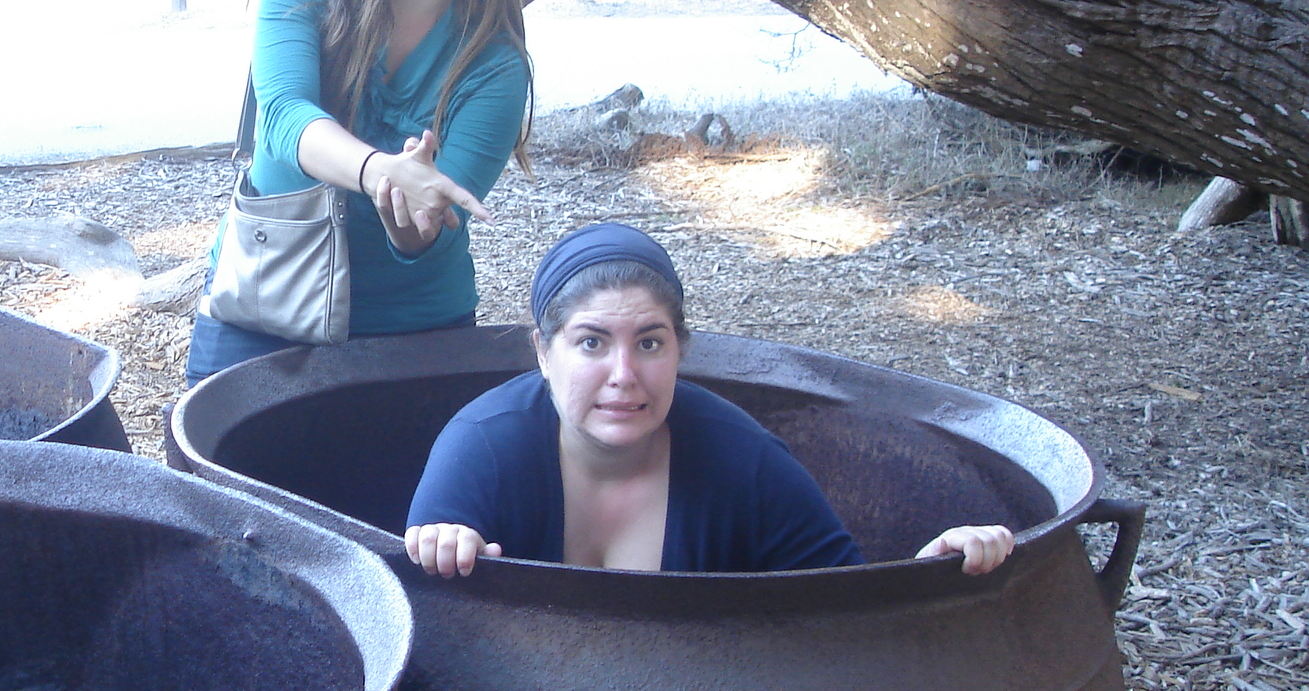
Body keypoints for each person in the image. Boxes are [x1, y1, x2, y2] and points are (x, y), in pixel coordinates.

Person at [405, 223, 1018, 579]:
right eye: (591, 342)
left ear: (681, 349)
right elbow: (416, 637)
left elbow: (848, 606)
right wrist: (438, 551)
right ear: (543, 352)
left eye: (649, 342)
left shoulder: (742, 459)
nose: (624, 374)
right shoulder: (483, 446)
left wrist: (931, 571)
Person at [185, 0, 533, 384]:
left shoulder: (495, 62)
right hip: (264, 295)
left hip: (416, 325)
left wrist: (412, 223)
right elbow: (285, 119)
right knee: (212, 444)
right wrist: (382, 173)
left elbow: (434, 223)